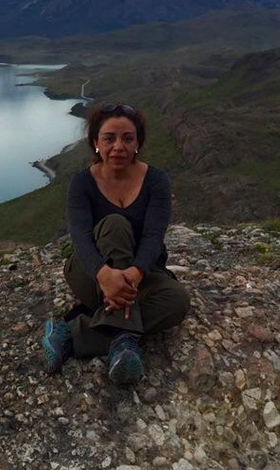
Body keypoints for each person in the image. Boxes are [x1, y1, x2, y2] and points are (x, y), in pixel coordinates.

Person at [42, 101, 191, 384]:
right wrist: (104, 275)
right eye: (109, 138)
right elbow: (81, 238)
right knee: (115, 223)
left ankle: (70, 334)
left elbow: (152, 238)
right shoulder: (82, 183)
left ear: (138, 143)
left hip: (141, 272)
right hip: (89, 271)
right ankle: (123, 343)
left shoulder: (156, 181)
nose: (118, 146)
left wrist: (132, 275)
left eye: (127, 138)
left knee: (177, 301)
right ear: (95, 143)